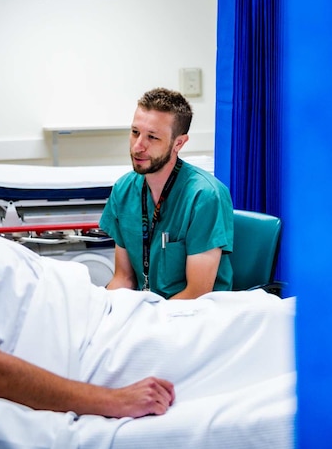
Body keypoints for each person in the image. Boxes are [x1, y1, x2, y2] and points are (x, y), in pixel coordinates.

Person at [0, 110, 293, 420]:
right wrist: (111, 400)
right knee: (269, 332)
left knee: (260, 315)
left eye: (151, 136)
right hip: (96, 350)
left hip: (107, 319)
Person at [100, 88, 234, 299]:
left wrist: (147, 323)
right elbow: (124, 278)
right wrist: (101, 311)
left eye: (152, 137)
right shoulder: (124, 190)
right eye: (135, 132)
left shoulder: (204, 196)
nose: (138, 146)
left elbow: (197, 293)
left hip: (195, 318)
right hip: (147, 312)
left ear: (178, 143)